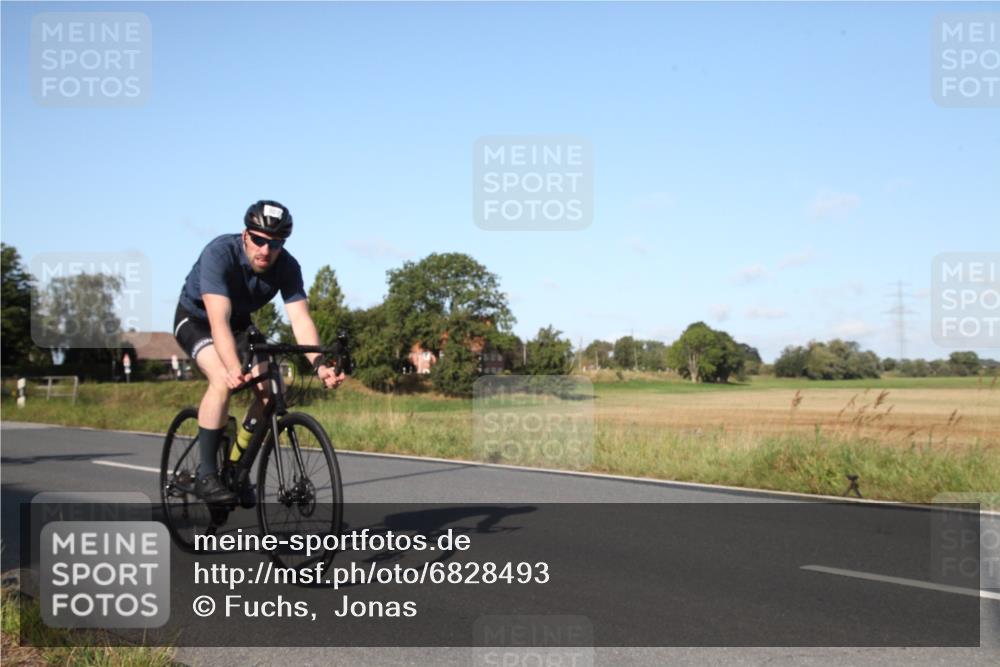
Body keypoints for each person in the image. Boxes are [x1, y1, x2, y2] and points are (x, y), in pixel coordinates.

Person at [173, 200, 344, 504]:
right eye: (259, 240)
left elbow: (300, 320)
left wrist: (319, 365)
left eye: (276, 243)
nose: (266, 249)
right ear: (245, 236)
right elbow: (218, 320)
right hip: (198, 320)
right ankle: (206, 474)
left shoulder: (288, 267)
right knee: (220, 379)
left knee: (272, 389)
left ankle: (237, 467)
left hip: (239, 324)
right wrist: (230, 366)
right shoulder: (219, 254)